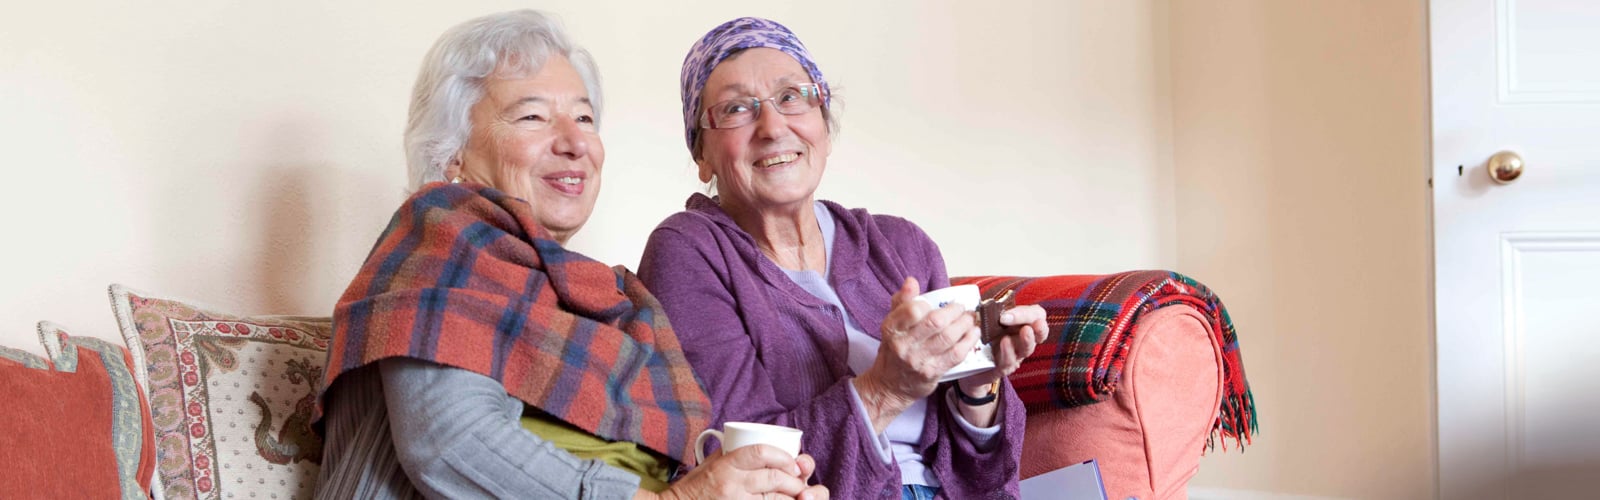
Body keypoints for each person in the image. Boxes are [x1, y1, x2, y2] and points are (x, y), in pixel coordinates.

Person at [313, 10, 827, 500]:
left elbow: (665, 470)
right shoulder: (442, 236)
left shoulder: (606, 297)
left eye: (583, 117)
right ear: (453, 154)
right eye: (533, 116)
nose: (575, 142)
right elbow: (449, 444)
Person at [638, 17, 1051, 500]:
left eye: (792, 97)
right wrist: (884, 390)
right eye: (736, 109)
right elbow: (743, 467)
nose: (773, 127)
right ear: (702, 155)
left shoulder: (902, 245)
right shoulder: (689, 252)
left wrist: (976, 385)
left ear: (824, 128)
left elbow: (988, 483)